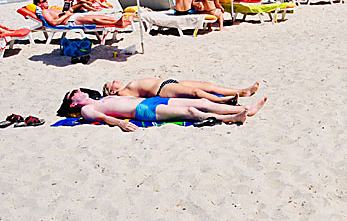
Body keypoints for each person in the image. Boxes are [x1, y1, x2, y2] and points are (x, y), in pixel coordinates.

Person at [58, 89, 268, 132]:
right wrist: (121, 123)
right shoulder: (88, 110)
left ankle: (246, 109)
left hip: (150, 101)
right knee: (192, 112)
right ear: (73, 104)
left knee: (202, 101)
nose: (76, 91)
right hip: (142, 112)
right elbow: (104, 118)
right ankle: (234, 118)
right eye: (72, 94)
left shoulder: (100, 98)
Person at [103, 78, 259, 103]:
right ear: (112, 92)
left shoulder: (125, 88)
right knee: (196, 93)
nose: (116, 81)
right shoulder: (122, 93)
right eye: (112, 84)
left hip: (167, 82)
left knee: (208, 85)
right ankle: (224, 100)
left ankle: (241, 91)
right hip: (162, 89)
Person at [33, 0, 126, 27]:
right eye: (44, 1)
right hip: (70, 21)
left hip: (72, 16)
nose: (46, 1)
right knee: (93, 20)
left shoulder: (50, 9)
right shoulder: (44, 12)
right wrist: (66, 15)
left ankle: (116, 20)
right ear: (39, 4)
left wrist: (68, 11)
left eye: (46, 0)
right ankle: (117, 22)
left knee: (97, 17)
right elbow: (53, 23)